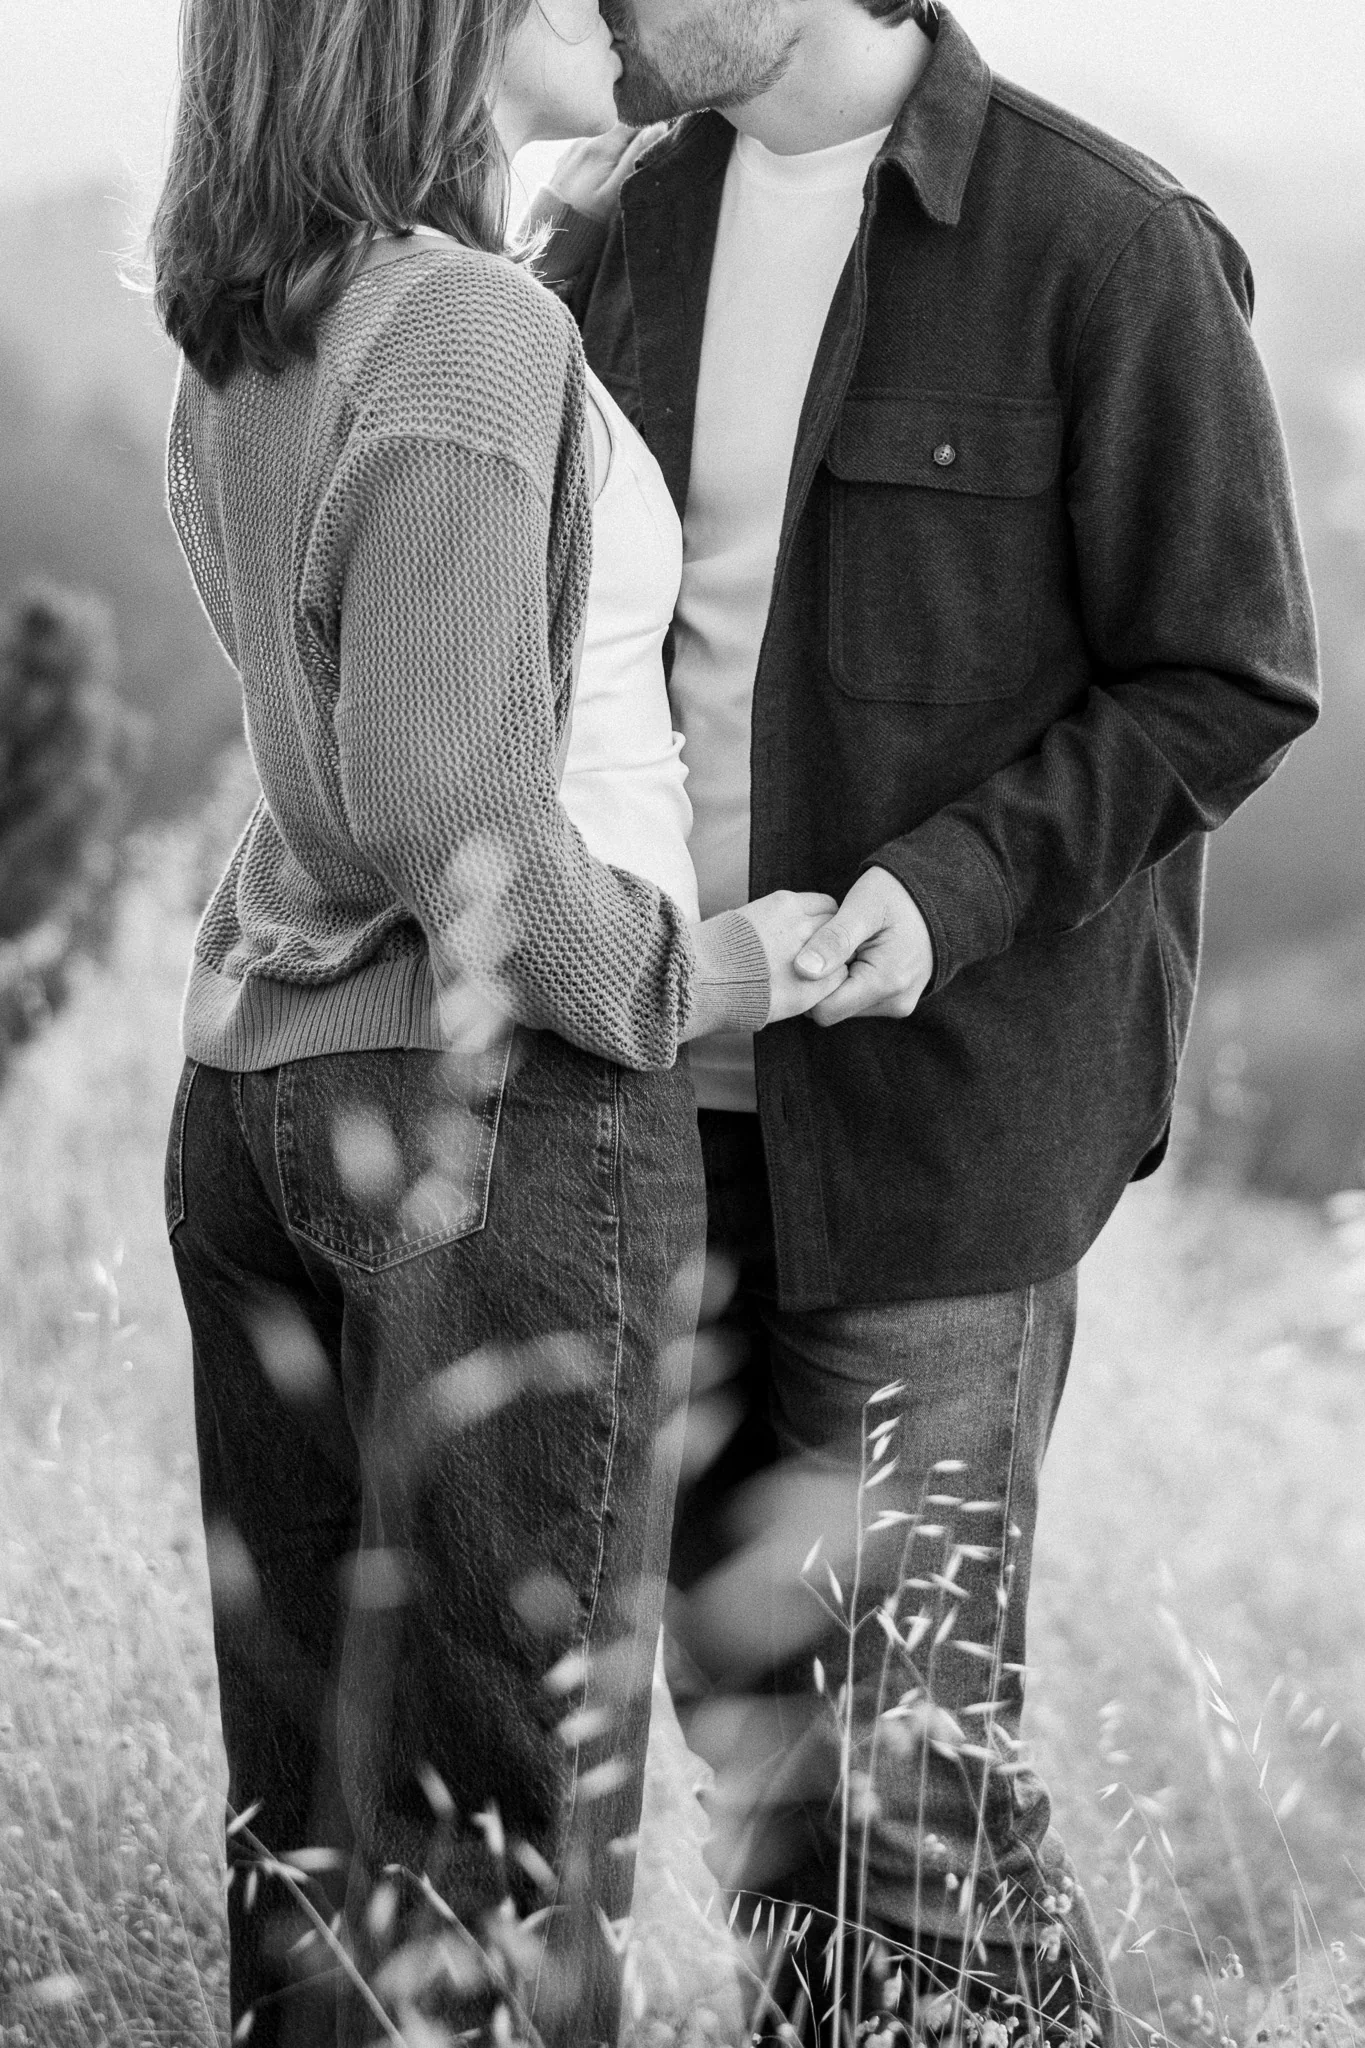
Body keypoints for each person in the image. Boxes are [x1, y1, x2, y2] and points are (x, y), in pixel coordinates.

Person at [534, 0, 1320, 2038]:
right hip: (648, 1103)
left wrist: (947, 889)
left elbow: (1226, 675)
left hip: (945, 1134)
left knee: (905, 1776)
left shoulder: (1105, 243)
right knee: (754, 1737)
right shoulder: (613, 230)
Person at [149, 2, 852, 2043]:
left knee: (313, 1837)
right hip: (503, 1109)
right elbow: (444, 795)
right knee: (491, 1836)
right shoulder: (464, 321)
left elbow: (354, 751)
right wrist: (691, 972)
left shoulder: (264, 323)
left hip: (271, 1079)